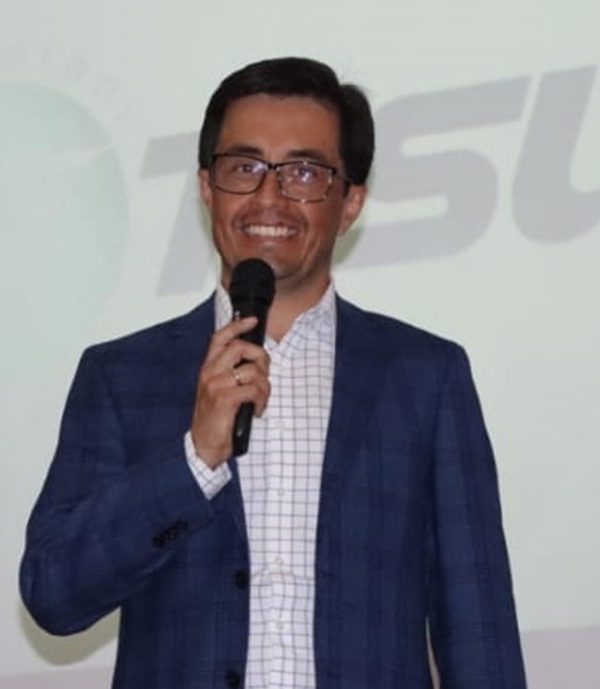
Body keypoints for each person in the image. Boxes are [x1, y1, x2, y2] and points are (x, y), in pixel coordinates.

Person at [20, 57, 527, 689]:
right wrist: (193, 460)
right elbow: (53, 593)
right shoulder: (120, 376)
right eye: (244, 168)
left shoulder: (426, 377)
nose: (268, 197)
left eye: (304, 173)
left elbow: (478, 628)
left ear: (350, 202)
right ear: (207, 188)